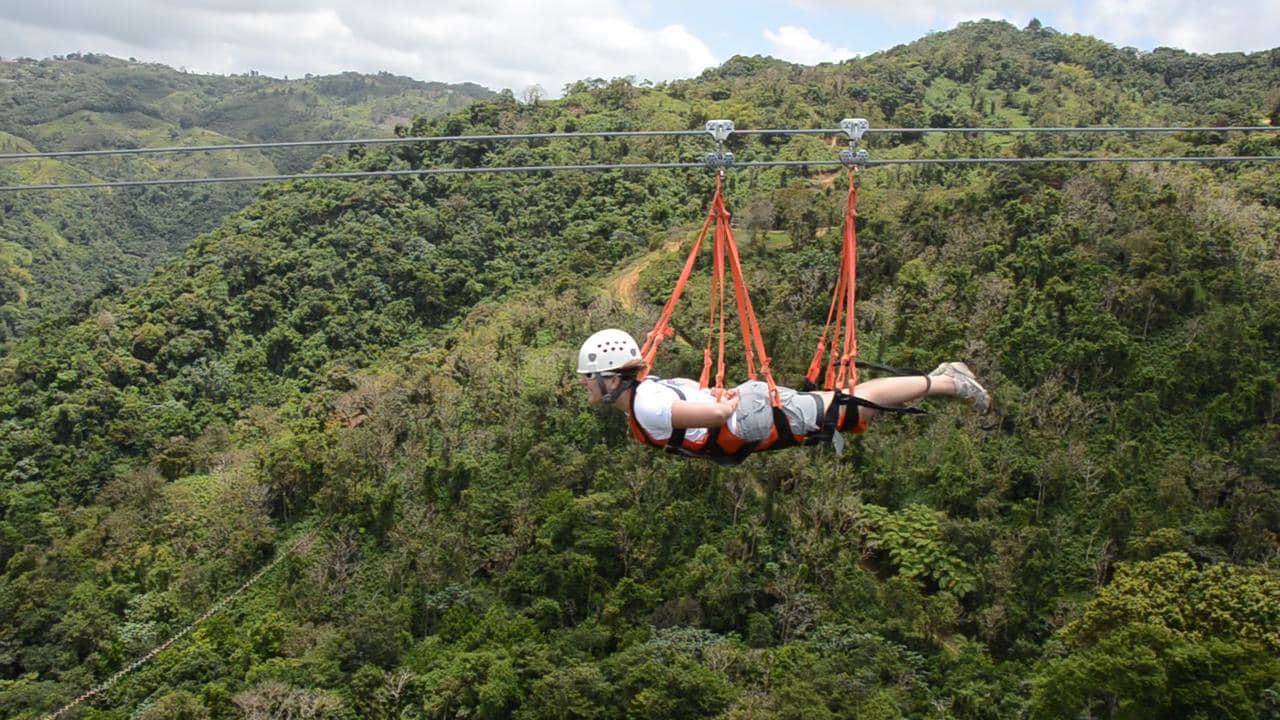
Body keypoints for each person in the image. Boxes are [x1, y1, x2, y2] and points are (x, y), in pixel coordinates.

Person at [576, 328, 989, 460]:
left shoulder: (647, 406)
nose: (583, 385)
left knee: (850, 407)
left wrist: (725, 403)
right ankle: (945, 381)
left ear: (612, 380)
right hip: (750, 411)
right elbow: (698, 398)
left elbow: (716, 417)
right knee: (848, 407)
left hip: (750, 415)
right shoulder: (650, 390)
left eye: (588, 378)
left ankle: (951, 382)